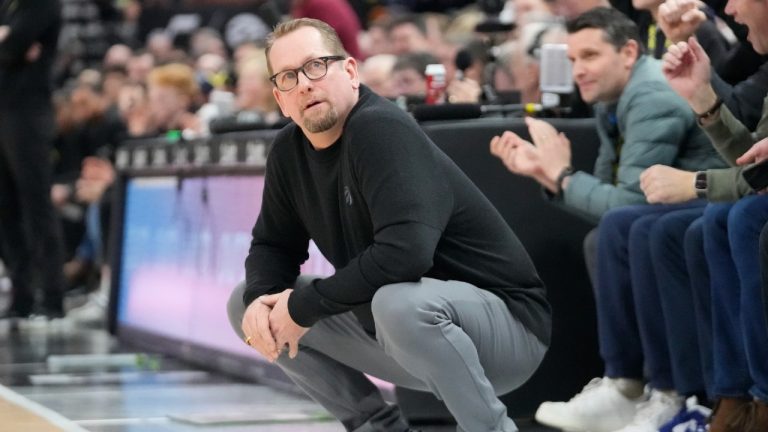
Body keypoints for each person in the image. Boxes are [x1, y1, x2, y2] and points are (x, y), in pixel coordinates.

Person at [227, 18, 552, 432]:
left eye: (315, 66)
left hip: (505, 331)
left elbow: (405, 254)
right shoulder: (288, 151)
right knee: (247, 306)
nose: (305, 84)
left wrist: (304, 307)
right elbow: (273, 246)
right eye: (289, 77)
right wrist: (263, 299)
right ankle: (376, 426)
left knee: (396, 302)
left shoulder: (381, 128)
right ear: (279, 97)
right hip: (399, 336)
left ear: (349, 71)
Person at [0, 0, 67, 320]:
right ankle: (21, 296)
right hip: (4, 111)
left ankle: (53, 296)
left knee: (36, 205)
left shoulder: (43, 4)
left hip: (27, 114)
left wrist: (11, 41)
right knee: (5, 209)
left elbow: (13, 46)